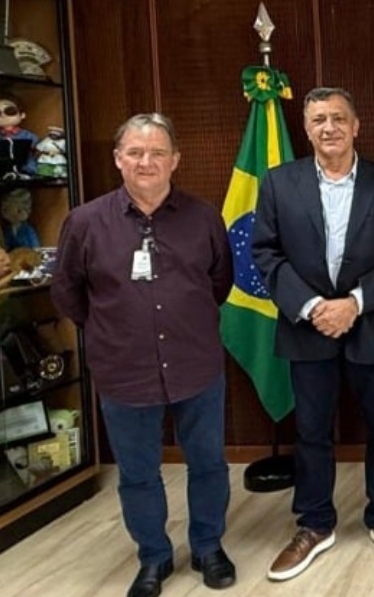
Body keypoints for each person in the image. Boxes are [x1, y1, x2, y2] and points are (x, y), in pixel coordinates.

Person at [50, 112, 235, 597]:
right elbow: (67, 291)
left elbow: (219, 283)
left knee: (208, 463)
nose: (145, 161)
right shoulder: (85, 222)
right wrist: (112, 329)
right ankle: (153, 556)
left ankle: (208, 546)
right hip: (123, 369)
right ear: (118, 159)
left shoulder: (204, 217)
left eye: (157, 152)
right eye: (135, 152)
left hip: (196, 364)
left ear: (175, 160)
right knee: (137, 473)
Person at [252, 87, 374, 581]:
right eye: (319, 119)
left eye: (339, 118)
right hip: (307, 326)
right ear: (306, 129)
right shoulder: (279, 183)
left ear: (356, 125)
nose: (330, 127)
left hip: (371, 322)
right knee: (311, 431)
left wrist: (355, 303)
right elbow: (265, 253)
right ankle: (315, 524)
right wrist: (312, 307)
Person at [0, 93, 39, 178]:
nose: (3, 115)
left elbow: (37, 151)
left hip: (26, 169)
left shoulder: (28, 136)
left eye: (10, 111)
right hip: (0, 172)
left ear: (22, 115)